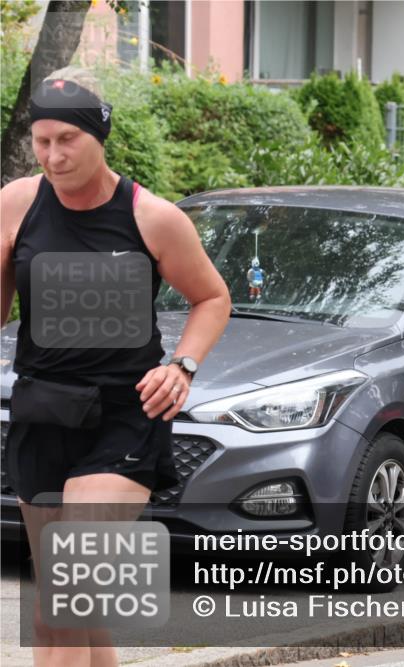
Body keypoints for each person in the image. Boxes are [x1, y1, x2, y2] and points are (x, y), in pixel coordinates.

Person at [0, 67, 232, 667]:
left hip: (126, 416)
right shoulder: (16, 204)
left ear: (99, 135)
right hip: (43, 412)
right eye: (41, 140)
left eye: (66, 141)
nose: (51, 156)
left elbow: (213, 298)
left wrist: (182, 367)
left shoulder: (151, 217)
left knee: (67, 592)